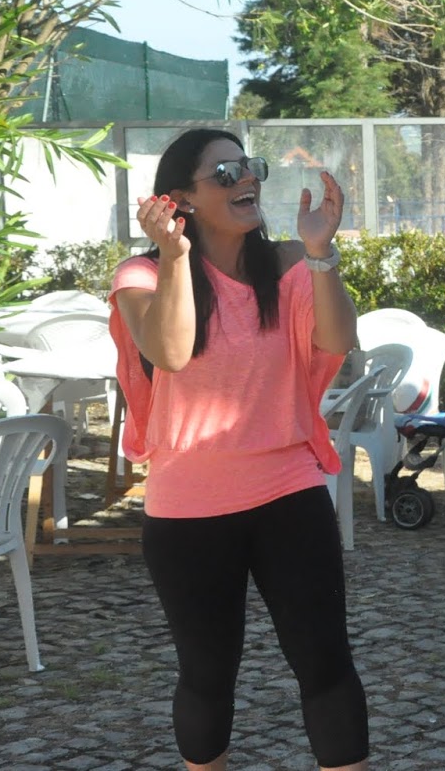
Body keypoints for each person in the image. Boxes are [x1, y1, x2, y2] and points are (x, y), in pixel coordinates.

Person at [108, 129, 369, 771]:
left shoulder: (288, 265)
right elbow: (170, 352)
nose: (246, 177)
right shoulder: (142, 276)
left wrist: (321, 253)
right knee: (207, 675)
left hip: (289, 490)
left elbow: (339, 339)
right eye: (224, 173)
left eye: (249, 166)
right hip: (188, 507)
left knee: (326, 663)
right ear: (180, 200)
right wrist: (175, 257)